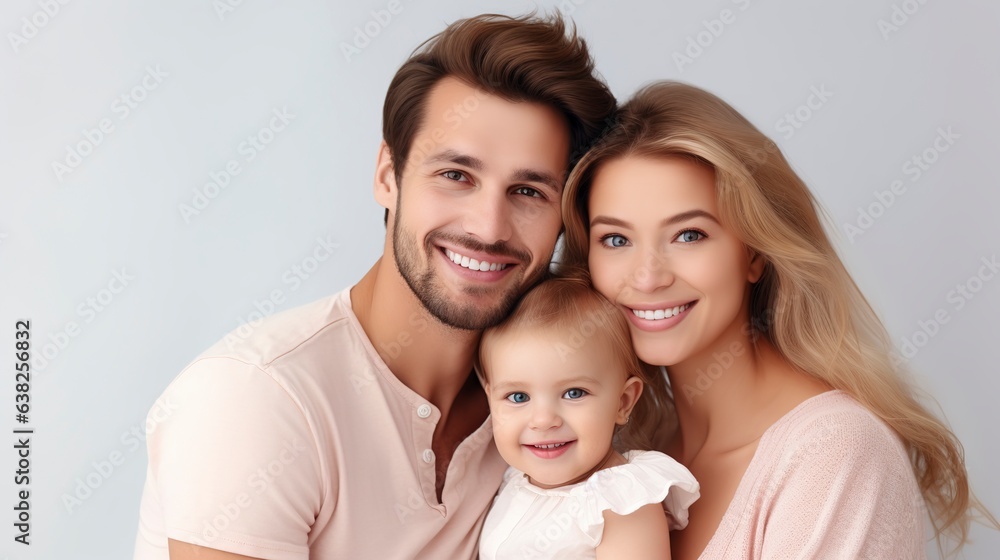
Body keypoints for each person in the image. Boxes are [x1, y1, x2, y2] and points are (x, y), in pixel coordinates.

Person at [132, 13, 616, 560]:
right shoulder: (259, 398)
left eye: (528, 191)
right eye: (456, 175)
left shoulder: (554, 402)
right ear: (388, 174)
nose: (488, 227)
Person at [559, 81, 998, 558]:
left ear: (755, 253)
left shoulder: (834, 456)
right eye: (616, 240)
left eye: (689, 234)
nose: (646, 277)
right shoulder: (633, 450)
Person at [474, 275, 700, 559]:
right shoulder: (515, 477)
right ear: (491, 400)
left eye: (574, 393)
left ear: (623, 402)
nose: (543, 421)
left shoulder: (621, 503)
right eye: (518, 397)